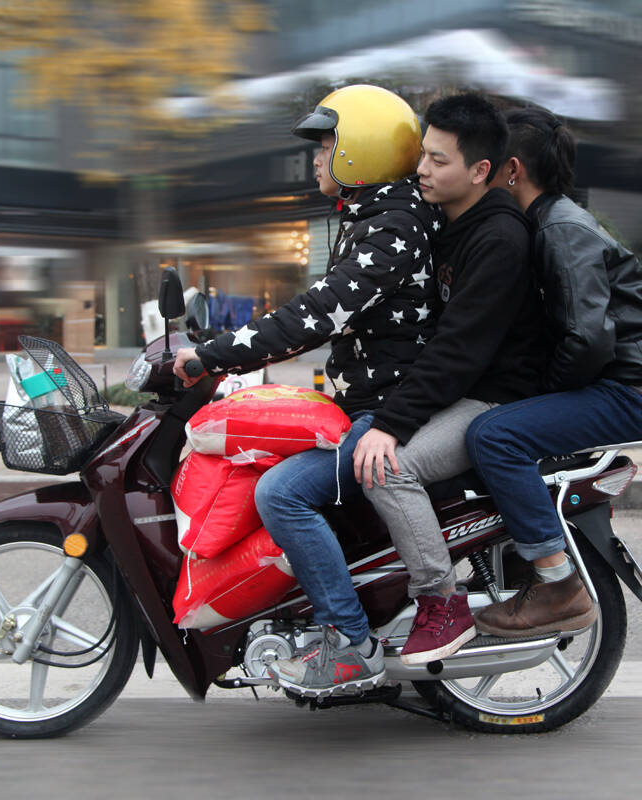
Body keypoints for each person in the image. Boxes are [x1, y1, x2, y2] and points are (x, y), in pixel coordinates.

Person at [174, 84, 443, 695]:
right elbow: (314, 322)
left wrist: (211, 355)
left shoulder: (393, 224)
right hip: (369, 402)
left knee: (282, 493)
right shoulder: (373, 215)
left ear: (364, 149)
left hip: (392, 412)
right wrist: (223, 349)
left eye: (327, 143)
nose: (316, 158)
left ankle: (349, 643)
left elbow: (316, 315)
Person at [355, 92, 543, 665]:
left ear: (480, 170)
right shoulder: (450, 225)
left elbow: (458, 351)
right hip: (463, 390)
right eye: (422, 156)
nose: (422, 170)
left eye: (439, 160)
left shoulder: (499, 239)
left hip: (494, 400)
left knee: (388, 469)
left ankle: (441, 602)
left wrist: (389, 425)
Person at [467, 107, 642, 637]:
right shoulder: (549, 220)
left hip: (627, 389)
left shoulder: (562, 228)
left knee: (495, 436)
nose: (480, 175)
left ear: (512, 170)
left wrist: (540, 396)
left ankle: (559, 584)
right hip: (617, 381)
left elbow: (587, 338)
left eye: (487, 165)